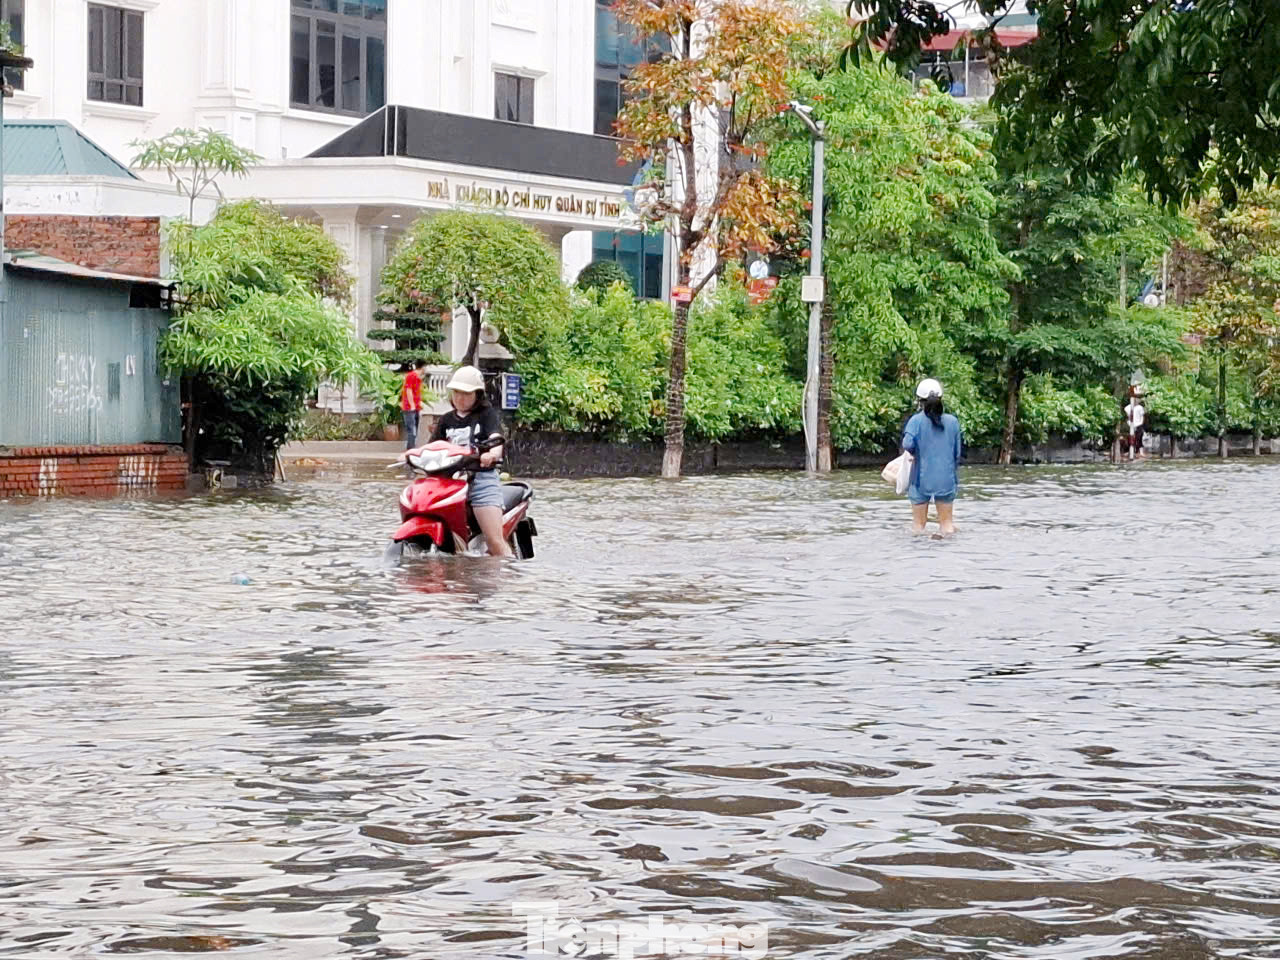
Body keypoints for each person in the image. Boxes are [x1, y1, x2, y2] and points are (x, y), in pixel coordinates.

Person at [429, 365, 512, 558]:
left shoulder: (486, 415)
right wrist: (411, 455)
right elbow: (432, 446)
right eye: (457, 393)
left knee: (495, 541)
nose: (460, 398)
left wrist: (492, 454)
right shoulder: (446, 420)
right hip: (450, 482)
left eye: (466, 394)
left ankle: (509, 576)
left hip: (481, 480)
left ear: (477, 395)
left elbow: (496, 437)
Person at [902, 378, 963, 536]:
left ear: (919, 401)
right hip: (946, 478)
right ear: (941, 399)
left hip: (920, 479)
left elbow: (907, 444)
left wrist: (916, 452)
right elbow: (957, 454)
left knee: (918, 526)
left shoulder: (915, 422)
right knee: (947, 525)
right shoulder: (953, 422)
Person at [401, 359, 428, 450]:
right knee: (412, 430)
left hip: (415, 407)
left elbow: (416, 393)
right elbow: (408, 390)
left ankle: (412, 448)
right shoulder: (411, 376)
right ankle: (410, 449)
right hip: (409, 408)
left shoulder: (417, 377)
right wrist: (412, 405)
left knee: (414, 430)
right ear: (423, 367)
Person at [1125, 393, 1146, 460]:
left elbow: (1142, 417)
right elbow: (1127, 417)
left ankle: (1141, 452)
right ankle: (1131, 451)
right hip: (1130, 425)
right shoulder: (1127, 408)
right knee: (1131, 438)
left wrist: (1141, 423)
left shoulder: (1140, 407)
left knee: (1139, 438)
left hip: (1138, 424)